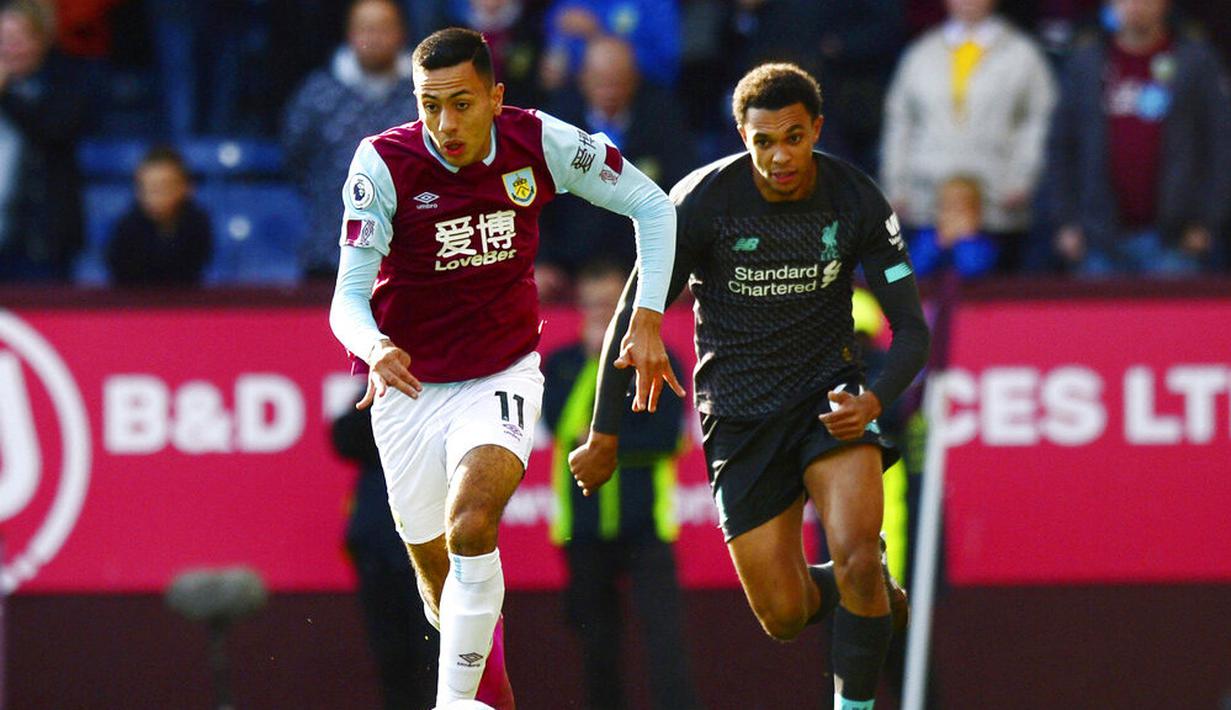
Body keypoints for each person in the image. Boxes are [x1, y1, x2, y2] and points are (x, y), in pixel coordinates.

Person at [326, 27, 682, 709]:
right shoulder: (381, 163)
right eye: (429, 105)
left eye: (461, 103)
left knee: (472, 522)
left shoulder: (540, 142)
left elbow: (652, 205)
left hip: (502, 373)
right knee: (443, 590)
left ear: (495, 95)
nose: (444, 123)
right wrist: (374, 347)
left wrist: (646, 316)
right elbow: (346, 298)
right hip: (407, 385)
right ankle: (488, 697)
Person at [570, 63, 930, 710]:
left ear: (815, 129)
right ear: (742, 134)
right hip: (738, 418)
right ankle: (867, 586)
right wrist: (602, 435)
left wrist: (874, 399)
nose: (778, 156)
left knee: (852, 552)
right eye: (762, 141)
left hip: (831, 399)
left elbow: (911, 330)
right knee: (784, 615)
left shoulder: (855, 199)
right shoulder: (700, 202)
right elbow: (630, 317)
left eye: (793, 138)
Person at [543, 261, 698, 710]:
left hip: (646, 525)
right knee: (597, 648)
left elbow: (665, 436)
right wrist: (598, 364)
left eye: (610, 305)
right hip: (584, 529)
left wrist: (604, 444)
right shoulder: (565, 364)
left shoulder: (659, 358)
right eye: (591, 305)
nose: (600, 314)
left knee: (666, 644)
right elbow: (561, 426)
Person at [1047, 0, 1231, 275]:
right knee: (1098, 319)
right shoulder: (1085, 63)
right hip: (1098, 237)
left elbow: (1220, 146)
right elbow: (1061, 148)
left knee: (1174, 320)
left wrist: (1207, 222)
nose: (1136, 6)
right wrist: (1065, 221)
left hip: (1175, 239)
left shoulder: (1196, 62)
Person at [880, 0, 1056, 272]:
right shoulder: (921, 54)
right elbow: (900, 122)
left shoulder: (1022, 54)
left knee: (990, 302)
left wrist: (1023, 178)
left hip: (998, 204)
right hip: (926, 203)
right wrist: (897, 185)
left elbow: (1040, 121)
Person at [539, 35, 694, 299]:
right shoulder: (555, 122)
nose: (609, 92)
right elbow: (535, 196)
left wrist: (679, 265)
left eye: (618, 83)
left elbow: (683, 192)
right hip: (570, 264)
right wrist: (542, 261)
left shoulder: (662, 118)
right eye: (601, 83)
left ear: (634, 79)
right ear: (583, 79)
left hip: (641, 260)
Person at [282, 0, 419, 280]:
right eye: (366, 29)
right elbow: (295, 159)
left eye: (384, 28)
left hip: (411, 257)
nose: (375, 37)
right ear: (350, 34)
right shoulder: (317, 94)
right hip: (330, 254)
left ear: (402, 34)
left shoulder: (423, 94)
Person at [332, 387, 439, 710]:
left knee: (435, 649)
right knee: (390, 652)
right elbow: (343, 438)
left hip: (430, 541)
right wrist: (383, 392)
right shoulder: (379, 386)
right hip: (377, 545)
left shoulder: (445, 387)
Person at [0, 0, 90, 282]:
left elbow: (53, 130)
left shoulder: (65, 80)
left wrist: (6, 94)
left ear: (42, 39)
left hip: (40, 244)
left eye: (18, 39)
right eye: (3, 40)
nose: (8, 48)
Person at [105, 146, 213, 287]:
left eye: (165, 186)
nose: (157, 195)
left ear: (186, 188)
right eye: (149, 187)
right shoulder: (125, 229)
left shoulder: (198, 224)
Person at [908, 174, 999, 279]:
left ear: (977, 214)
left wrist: (966, 239)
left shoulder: (985, 243)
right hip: (927, 294)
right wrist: (939, 243)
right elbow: (913, 270)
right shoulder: (926, 238)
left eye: (961, 210)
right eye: (947, 208)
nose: (953, 216)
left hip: (970, 294)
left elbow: (971, 270)